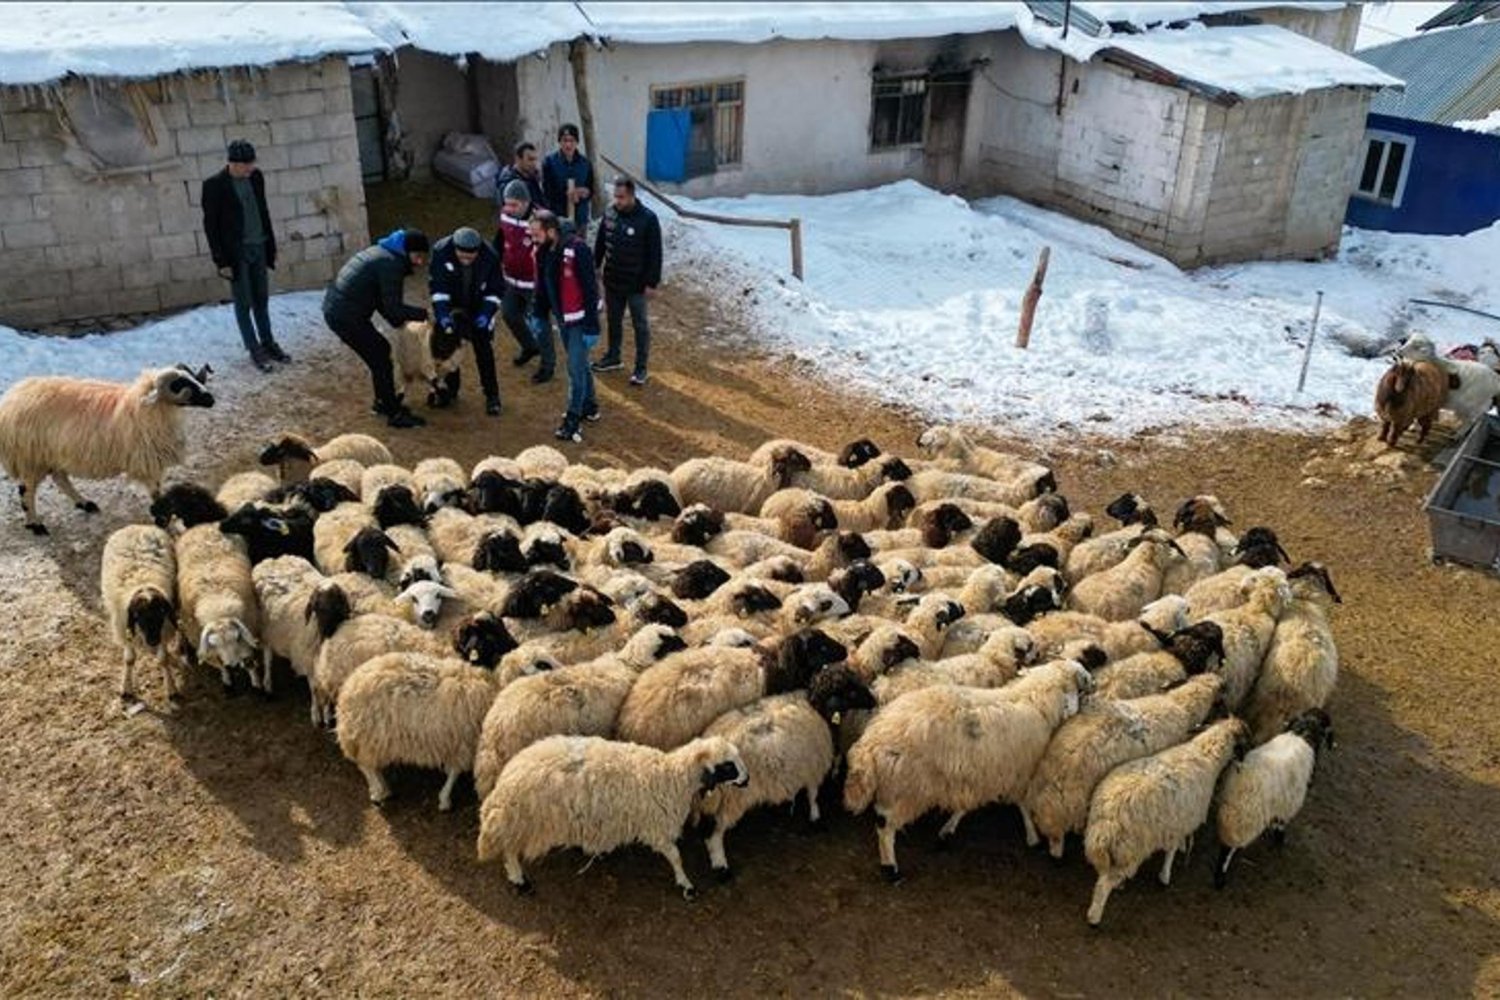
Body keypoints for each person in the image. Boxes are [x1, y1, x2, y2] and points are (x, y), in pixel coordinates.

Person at [322, 228, 431, 429]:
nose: (419, 262)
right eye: (417, 256)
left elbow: (383, 300)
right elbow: (393, 308)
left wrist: (397, 321)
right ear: (407, 251)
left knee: (378, 354)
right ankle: (393, 413)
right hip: (346, 315)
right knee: (380, 355)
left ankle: (384, 402)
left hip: (338, 309)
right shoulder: (392, 265)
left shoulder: (383, 253)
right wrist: (424, 314)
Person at [201, 139, 288, 372]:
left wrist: (270, 247)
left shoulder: (256, 178)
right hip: (236, 252)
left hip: (259, 245)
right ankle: (254, 348)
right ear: (233, 163)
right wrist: (221, 261)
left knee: (262, 298)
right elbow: (211, 226)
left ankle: (268, 342)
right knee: (243, 302)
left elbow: (263, 211)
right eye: (246, 164)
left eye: (252, 163)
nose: (251, 168)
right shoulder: (214, 185)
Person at [534, 215, 600, 443]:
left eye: (537, 233)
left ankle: (573, 418)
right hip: (564, 318)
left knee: (574, 368)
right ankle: (590, 405)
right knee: (580, 363)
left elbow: (590, 289)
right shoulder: (545, 251)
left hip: (580, 320)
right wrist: (539, 313)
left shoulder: (578, 250)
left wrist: (592, 325)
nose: (534, 238)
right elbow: (543, 287)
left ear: (551, 231)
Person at [592, 176, 662, 386]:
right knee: (613, 320)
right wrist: (595, 266)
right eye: (615, 196)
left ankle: (641, 367)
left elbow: (655, 254)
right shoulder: (610, 213)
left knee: (640, 325)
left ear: (632, 195)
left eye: (621, 197)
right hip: (613, 280)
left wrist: (652, 283)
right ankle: (613, 357)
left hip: (636, 284)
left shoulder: (648, 219)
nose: (617, 201)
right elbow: (601, 242)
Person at [428, 226, 504, 417]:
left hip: (478, 308)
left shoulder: (490, 257)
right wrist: (443, 315)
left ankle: (492, 396)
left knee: (484, 352)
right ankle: (450, 390)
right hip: (452, 308)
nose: (466, 261)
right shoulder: (441, 251)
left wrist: (486, 313)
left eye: (470, 258)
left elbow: (495, 290)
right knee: (448, 350)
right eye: (462, 257)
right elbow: (438, 288)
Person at [495, 179, 552, 381]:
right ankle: (529, 346)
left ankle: (547, 364)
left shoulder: (541, 220)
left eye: (514, 205)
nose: (509, 209)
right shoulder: (505, 216)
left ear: (526, 202)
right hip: (511, 279)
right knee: (509, 314)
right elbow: (500, 239)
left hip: (534, 283)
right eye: (507, 204)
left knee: (540, 323)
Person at [541, 123, 596, 231]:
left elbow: (590, 188)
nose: (568, 145)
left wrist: (584, 192)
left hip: (580, 219)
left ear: (577, 142)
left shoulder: (585, 164)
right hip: (558, 218)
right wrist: (566, 194)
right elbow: (547, 192)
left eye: (572, 140)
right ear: (559, 142)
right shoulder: (549, 162)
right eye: (565, 140)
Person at [495, 141, 546, 216]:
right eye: (530, 159)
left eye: (535, 159)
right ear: (518, 159)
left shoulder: (531, 176)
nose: (534, 163)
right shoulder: (510, 185)